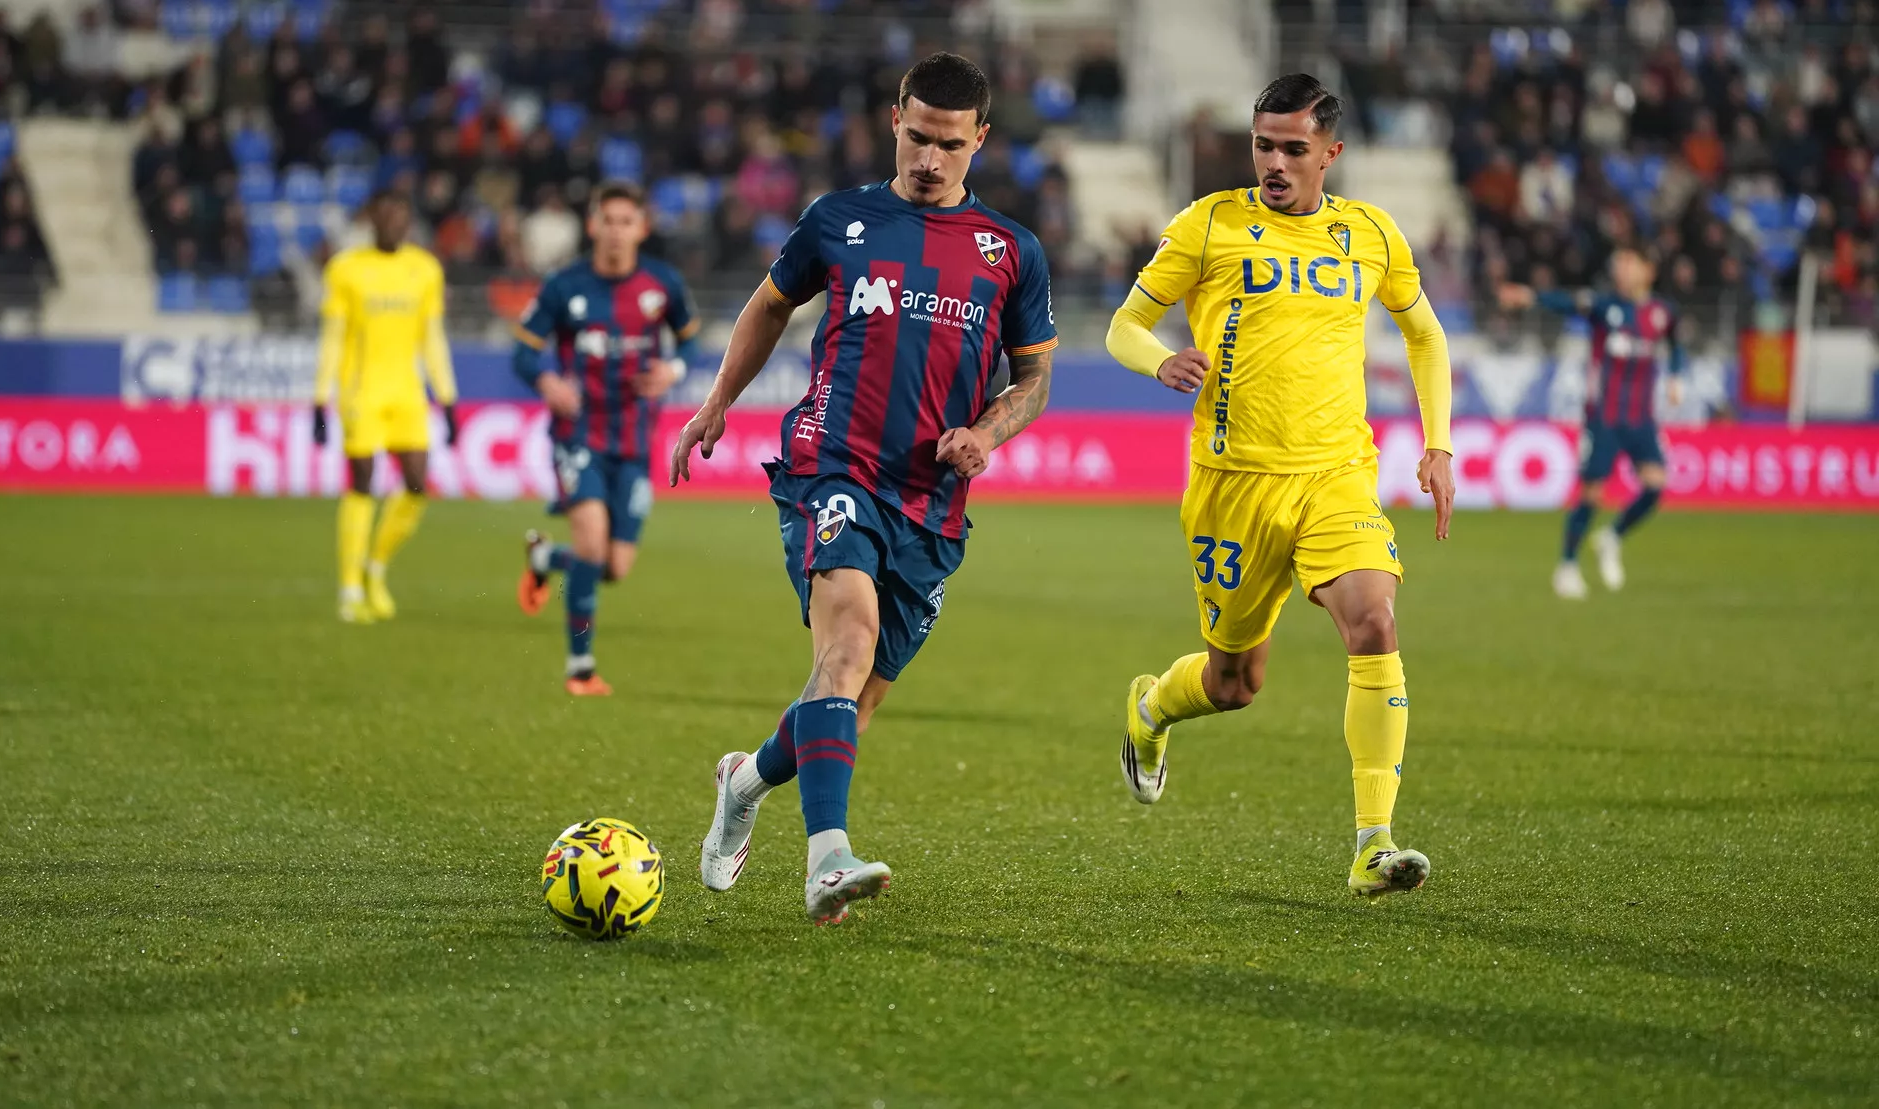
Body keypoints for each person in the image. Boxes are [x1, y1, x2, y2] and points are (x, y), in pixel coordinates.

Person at [676, 52, 1059, 926]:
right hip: (832, 466)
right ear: (895, 122)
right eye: (918, 137)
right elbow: (771, 305)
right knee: (847, 643)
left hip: (930, 501)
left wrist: (988, 432)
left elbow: (1032, 379)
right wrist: (717, 402)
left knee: (849, 694)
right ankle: (827, 860)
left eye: (950, 144)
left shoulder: (1011, 252)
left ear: (981, 141)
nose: (930, 159)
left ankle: (746, 778)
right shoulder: (839, 220)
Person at [1105, 74, 1455, 900]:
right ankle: (1153, 708)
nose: (1273, 162)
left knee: (1374, 618)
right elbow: (1125, 322)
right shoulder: (1210, 224)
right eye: (1263, 144)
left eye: (1293, 148)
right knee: (1236, 684)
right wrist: (1161, 358)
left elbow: (1425, 332)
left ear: (1330, 153)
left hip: (1337, 474)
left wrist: (1438, 443)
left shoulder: (1369, 233)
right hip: (1234, 485)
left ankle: (1375, 842)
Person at [513, 181, 700, 697]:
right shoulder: (564, 286)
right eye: (608, 221)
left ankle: (545, 559)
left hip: (635, 441)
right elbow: (524, 352)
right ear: (593, 225)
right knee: (592, 545)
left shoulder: (662, 284)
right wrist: (547, 381)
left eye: (627, 222)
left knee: (613, 566)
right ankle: (580, 668)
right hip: (579, 435)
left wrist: (674, 369)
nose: (616, 232)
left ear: (642, 227)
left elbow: (696, 342)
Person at [1497, 244, 1682, 598]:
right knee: (1592, 494)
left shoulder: (1662, 313)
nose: (1621, 270)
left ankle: (1612, 537)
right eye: (1619, 263)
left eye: (1630, 262)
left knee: (1656, 484)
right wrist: (1531, 296)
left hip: (1641, 418)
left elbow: (1675, 345)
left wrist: (1675, 377)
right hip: (1605, 417)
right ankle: (1566, 566)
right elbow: (1567, 303)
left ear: (1648, 271)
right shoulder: (1606, 307)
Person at [311, 190, 460, 624]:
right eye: (386, 215)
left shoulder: (424, 269)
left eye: (402, 216)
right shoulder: (346, 269)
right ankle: (349, 590)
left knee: (417, 485)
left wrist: (446, 397)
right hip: (361, 394)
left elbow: (431, 338)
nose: (395, 223)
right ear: (371, 220)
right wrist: (320, 399)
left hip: (408, 395)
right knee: (362, 485)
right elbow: (334, 337)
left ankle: (375, 567)